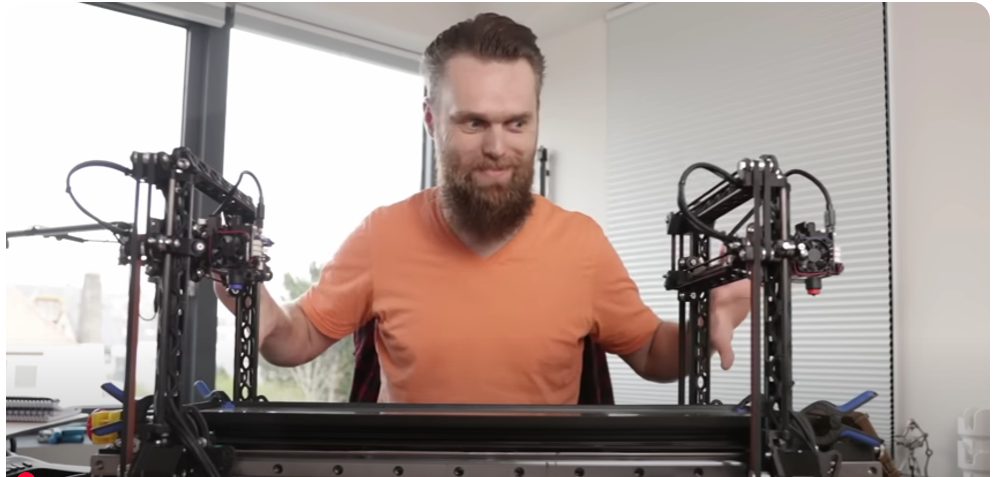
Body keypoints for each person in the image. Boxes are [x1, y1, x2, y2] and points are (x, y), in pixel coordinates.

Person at [215, 13, 752, 405]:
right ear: (431, 119)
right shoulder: (382, 234)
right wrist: (258, 307)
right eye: (473, 123)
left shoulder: (581, 244)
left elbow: (653, 351)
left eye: (516, 123)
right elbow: (297, 338)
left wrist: (704, 327)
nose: (498, 148)